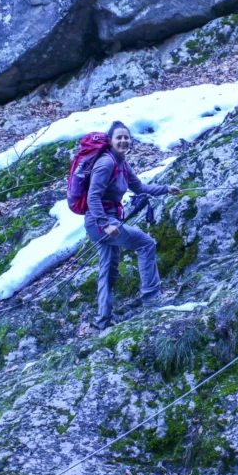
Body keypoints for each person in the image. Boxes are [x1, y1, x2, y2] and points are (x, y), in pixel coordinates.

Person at [85, 120, 181, 330]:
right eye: (119, 137)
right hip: (101, 222)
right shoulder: (106, 163)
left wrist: (166, 189)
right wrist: (105, 224)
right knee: (146, 244)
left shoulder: (121, 164)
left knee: (108, 270)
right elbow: (93, 197)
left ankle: (103, 320)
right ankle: (152, 297)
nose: (124, 140)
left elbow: (139, 187)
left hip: (108, 222)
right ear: (110, 141)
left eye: (126, 137)